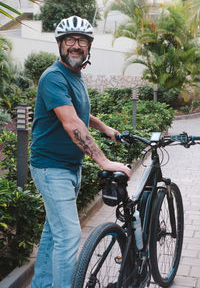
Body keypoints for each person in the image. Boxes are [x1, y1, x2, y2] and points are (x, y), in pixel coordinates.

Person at [30, 15, 131, 288]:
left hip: (68, 166)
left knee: (54, 232)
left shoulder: (76, 75)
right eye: (70, 40)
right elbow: (71, 122)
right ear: (60, 45)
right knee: (69, 236)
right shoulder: (53, 77)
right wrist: (104, 160)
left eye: (82, 40)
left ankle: (42, 285)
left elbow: (80, 113)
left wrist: (103, 126)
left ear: (89, 46)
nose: (76, 45)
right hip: (51, 167)